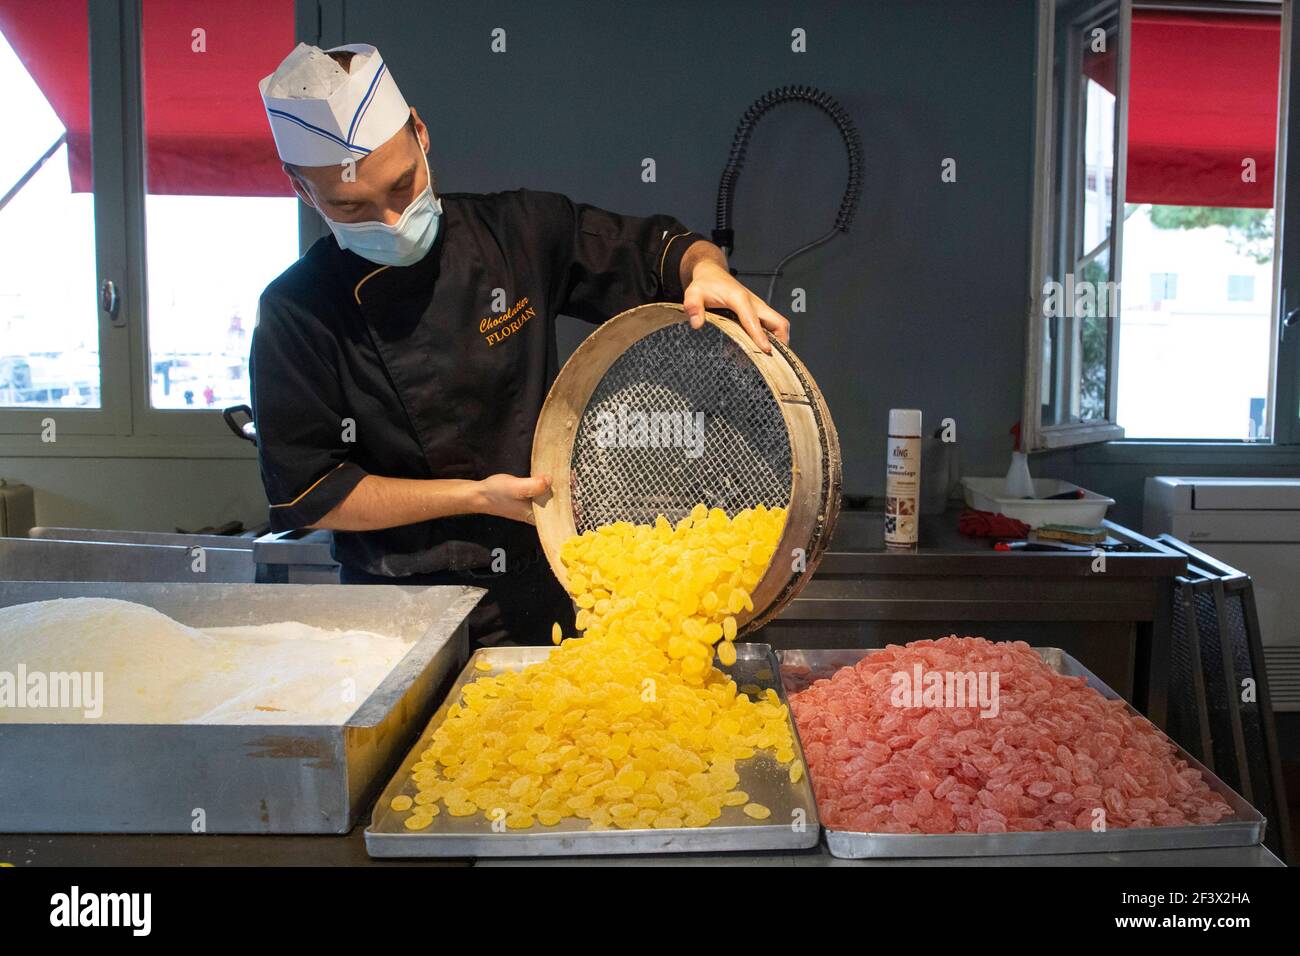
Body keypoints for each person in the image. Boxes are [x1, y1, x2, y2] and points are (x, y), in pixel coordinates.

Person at [251, 43, 789, 647]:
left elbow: (657, 250)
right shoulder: (296, 311)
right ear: (301, 188)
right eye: (352, 206)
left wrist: (707, 270)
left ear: (421, 133)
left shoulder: (521, 234)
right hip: (396, 618)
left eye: (403, 186)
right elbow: (314, 494)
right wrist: (478, 496)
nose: (393, 219)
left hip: (548, 586)